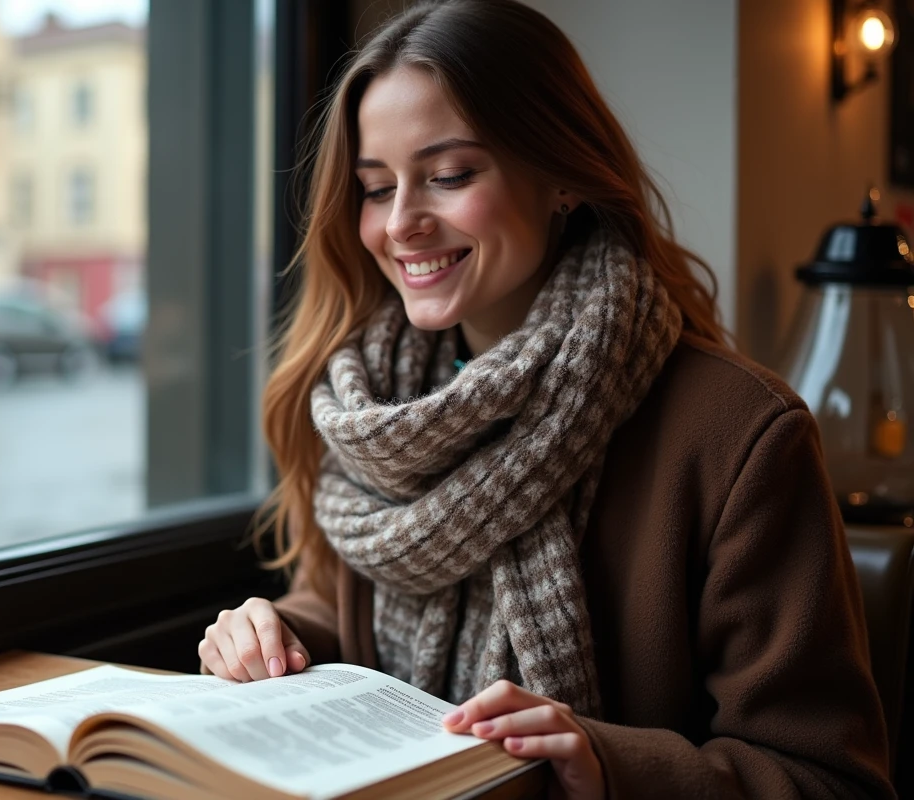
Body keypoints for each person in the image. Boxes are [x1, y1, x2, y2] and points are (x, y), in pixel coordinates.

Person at [197, 1, 895, 797]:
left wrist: (606, 763)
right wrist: (277, 635)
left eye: (450, 176)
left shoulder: (741, 435)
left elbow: (832, 781)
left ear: (562, 173)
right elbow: (349, 604)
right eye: (374, 187)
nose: (401, 224)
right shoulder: (375, 410)